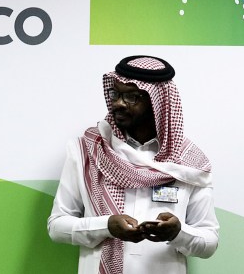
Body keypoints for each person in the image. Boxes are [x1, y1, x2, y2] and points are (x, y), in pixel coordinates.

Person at [47, 56, 218, 274]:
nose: (117, 103)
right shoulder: (87, 151)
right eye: (115, 94)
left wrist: (178, 232)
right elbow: (57, 226)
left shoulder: (188, 163)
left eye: (131, 97)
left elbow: (209, 242)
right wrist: (106, 226)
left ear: (158, 103)